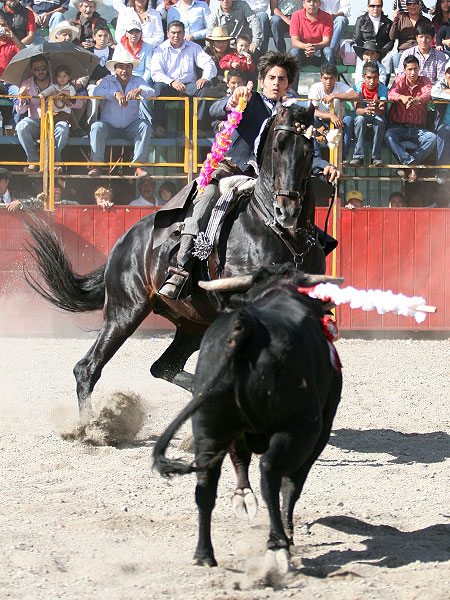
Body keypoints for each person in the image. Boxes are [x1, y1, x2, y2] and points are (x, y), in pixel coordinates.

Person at [159, 51, 340, 299]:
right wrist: (232, 101)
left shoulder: (293, 113)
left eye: (282, 79)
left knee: (300, 205)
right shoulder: (249, 99)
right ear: (263, 80)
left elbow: (303, 150)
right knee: (208, 196)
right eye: (272, 78)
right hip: (234, 171)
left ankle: (310, 262)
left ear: (289, 84)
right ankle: (181, 267)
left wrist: (323, 165)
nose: (276, 83)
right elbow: (212, 110)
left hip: (270, 182)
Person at [88, 46, 156, 177]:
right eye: (121, 67)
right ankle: (97, 165)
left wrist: (140, 90)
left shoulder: (138, 80)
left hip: (131, 126)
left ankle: (138, 165)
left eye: (128, 67)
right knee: (96, 127)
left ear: (132, 68)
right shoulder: (108, 79)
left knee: (145, 126)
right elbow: (97, 92)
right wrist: (115, 93)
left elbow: (151, 92)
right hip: (109, 126)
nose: (125, 70)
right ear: (115, 69)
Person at [150, 20, 217, 137]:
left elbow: (209, 63)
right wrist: (172, 82)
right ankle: (159, 126)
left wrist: (205, 78)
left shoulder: (194, 47)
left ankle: (198, 126)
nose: (176, 36)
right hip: (169, 85)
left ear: (184, 33)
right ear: (167, 34)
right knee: (158, 88)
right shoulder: (160, 49)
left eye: (179, 32)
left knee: (204, 87)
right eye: (173, 33)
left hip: (189, 86)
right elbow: (156, 73)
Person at [16, 55, 73, 172]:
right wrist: (22, 98)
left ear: (47, 67)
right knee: (21, 127)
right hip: (36, 121)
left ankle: (55, 162)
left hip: (55, 120)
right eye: (37, 69)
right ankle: (34, 161)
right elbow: (20, 111)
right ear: (32, 70)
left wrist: (63, 96)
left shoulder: (58, 81)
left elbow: (78, 104)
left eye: (43, 68)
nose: (41, 71)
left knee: (63, 128)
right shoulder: (26, 84)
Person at [385, 54, 435, 183]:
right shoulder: (399, 79)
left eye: (415, 69)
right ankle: (412, 165)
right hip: (399, 127)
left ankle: (409, 164)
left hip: (417, 129)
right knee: (388, 135)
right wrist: (403, 98)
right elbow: (391, 93)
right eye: (410, 69)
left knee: (432, 138)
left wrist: (417, 99)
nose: (413, 73)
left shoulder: (424, 80)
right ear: (405, 70)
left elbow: (428, 94)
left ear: (419, 69)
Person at [308, 63, 358, 162]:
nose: (328, 82)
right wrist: (330, 116)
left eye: (331, 78)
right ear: (321, 78)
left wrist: (335, 96)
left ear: (336, 78)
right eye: (325, 78)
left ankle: (342, 156)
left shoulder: (340, 86)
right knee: (312, 120)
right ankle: (316, 156)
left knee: (348, 120)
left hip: (338, 123)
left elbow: (355, 95)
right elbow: (313, 111)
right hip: (321, 122)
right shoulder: (315, 88)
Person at [288, 0, 335, 90]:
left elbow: (326, 41)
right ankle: (291, 92)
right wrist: (307, 47)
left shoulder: (327, 17)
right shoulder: (296, 15)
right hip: (302, 54)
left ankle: (328, 91)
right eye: (309, 1)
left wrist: (314, 47)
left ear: (320, 3)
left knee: (329, 51)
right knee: (293, 52)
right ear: (303, 3)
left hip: (319, 54)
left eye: (315, 1)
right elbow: (295, 41)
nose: (312, 4)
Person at [351, 61, 388, 166]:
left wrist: (375, 109)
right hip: (361, 122)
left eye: (375, 78)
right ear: (363, 77)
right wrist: (366, 110)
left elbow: (381, 110)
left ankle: (376, 157)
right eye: (369, 78)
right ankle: (358, 156)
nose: (372, 81)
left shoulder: (383, 89)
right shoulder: (357, 88)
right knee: (360, 119)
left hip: (375, 121)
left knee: (380, 121)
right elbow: (358, 110)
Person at [389, 0, 431, 73]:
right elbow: (392, 36)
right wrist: (395, 20)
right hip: (403, 52)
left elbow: (430, 38)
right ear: (406, 6)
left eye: (415, 3)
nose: (412, 6)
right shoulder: (401, 19)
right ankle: (399, 77)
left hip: (420, 52)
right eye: (409, 4)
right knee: (395, 57)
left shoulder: (426, 21)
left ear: (420, 5)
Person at [85, 23, 114, 127]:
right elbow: (85, 74)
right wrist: (95, 82)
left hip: (110, 84)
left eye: (105, 35)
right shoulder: (88, 53)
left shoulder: (114, 53)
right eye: (100, 36)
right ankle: (91, 123)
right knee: (93, 90)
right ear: (94, 37)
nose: (103, 38)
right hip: (92, 84)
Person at [0, 12, 23, 129]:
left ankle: (14, 127)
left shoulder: (12, 42)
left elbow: (25, 53)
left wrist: (13, 37)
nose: (1, 28)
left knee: (20, 96)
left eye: (3, 25)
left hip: (10, 82)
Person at [352, 0, 393, 64]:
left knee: (388, 60)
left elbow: (390, 41)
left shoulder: (388, 23)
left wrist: (381, 52)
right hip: (365, 53)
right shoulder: (361, 20)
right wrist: (366, 52)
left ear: (382, 7)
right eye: (372, 6)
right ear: (368, 7)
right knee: (360, 69)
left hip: (382, 54)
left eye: (378, 6)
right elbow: (357, 38)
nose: (375, 9)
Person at [431, 59, 450, 183]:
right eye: (449, 73)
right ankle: (441, 171)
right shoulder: (442, 83)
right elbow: (434, 93)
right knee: (443, 131)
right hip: (446, 124)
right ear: (446, 74)